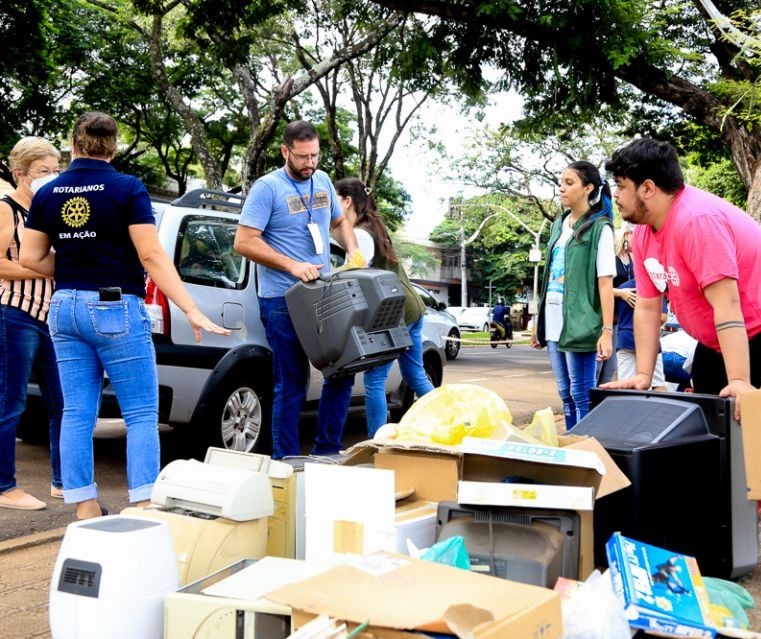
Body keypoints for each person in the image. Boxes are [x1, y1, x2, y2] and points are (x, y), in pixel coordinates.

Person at [20, 112, 229, 520]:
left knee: (77, 412)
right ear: (113, 147)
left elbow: (30, 257)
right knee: (140, 414)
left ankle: (83, 506)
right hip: (115, 308)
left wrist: (75, 270)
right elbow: (151, 255)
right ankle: (144, 504)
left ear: (73, 144)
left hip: (64, 308)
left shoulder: (49, 192)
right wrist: (190, 308)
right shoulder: (127, 188)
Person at [602, 137, 761, 421]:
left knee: (748, 433)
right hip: (715, 343)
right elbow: (648, 307)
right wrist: (643, 375)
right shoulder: (642, 233)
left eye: (622, 186)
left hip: (754, 332)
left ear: (648, 188)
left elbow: (727, 303)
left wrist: (738, 379)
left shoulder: (696, 219)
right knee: (712, 428)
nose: (616, 194)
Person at [234, 120, 360, 459]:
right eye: (302, 157)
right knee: (291, 384)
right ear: (285, 151)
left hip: (323, 294)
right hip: (282, 299)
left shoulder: (321, 180)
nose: (310, 163)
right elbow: (243, 242)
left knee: (342, 372)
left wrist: (352, 249)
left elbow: (337, 222)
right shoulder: (267, 188)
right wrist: (292, 265)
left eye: (315, 156)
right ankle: (286, 461)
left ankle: (327, 451)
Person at [333, 177, 434, 437]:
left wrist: (327, 274)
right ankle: (448, 419)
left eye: (335, 199)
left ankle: (377, 441)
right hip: (411, 308)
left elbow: (354, 269)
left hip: (394, 313)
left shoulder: (360, 233)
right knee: (414, 373)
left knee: (374, 380)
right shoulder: (373, 226)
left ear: (346, 200)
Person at [0, 137, 63, 511]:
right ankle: (4, 485)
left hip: (50, 316)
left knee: (63, 402)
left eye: (56, 170)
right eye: (44, 171)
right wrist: (43, 265)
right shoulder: (7, 209)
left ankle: (63, 479)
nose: (52, 177)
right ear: (21, 174)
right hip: (14, 313)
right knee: (11, 401)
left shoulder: (49, 211)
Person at [530, 161, 615, 428]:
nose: (561, 189)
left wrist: (607, 331)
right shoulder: (558, 225)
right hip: (553, 320)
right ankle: (571, 445)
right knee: (564, 393)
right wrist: (538, 323)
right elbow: (547, 278)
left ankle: (588, 450)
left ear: (588, 188)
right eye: (560, 183)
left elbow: (605, 283)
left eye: (569, 183)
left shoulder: (600, 228)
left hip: (580, 324)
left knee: (582, 393)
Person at [596, 222, 634, 384]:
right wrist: (621, 293)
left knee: (610, 368)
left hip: (621, 320)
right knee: (597, 366)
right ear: (626, 235)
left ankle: (599, 403)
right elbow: (597, 287)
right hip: (604, 318)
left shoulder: (633, 260)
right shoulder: (610, 257)